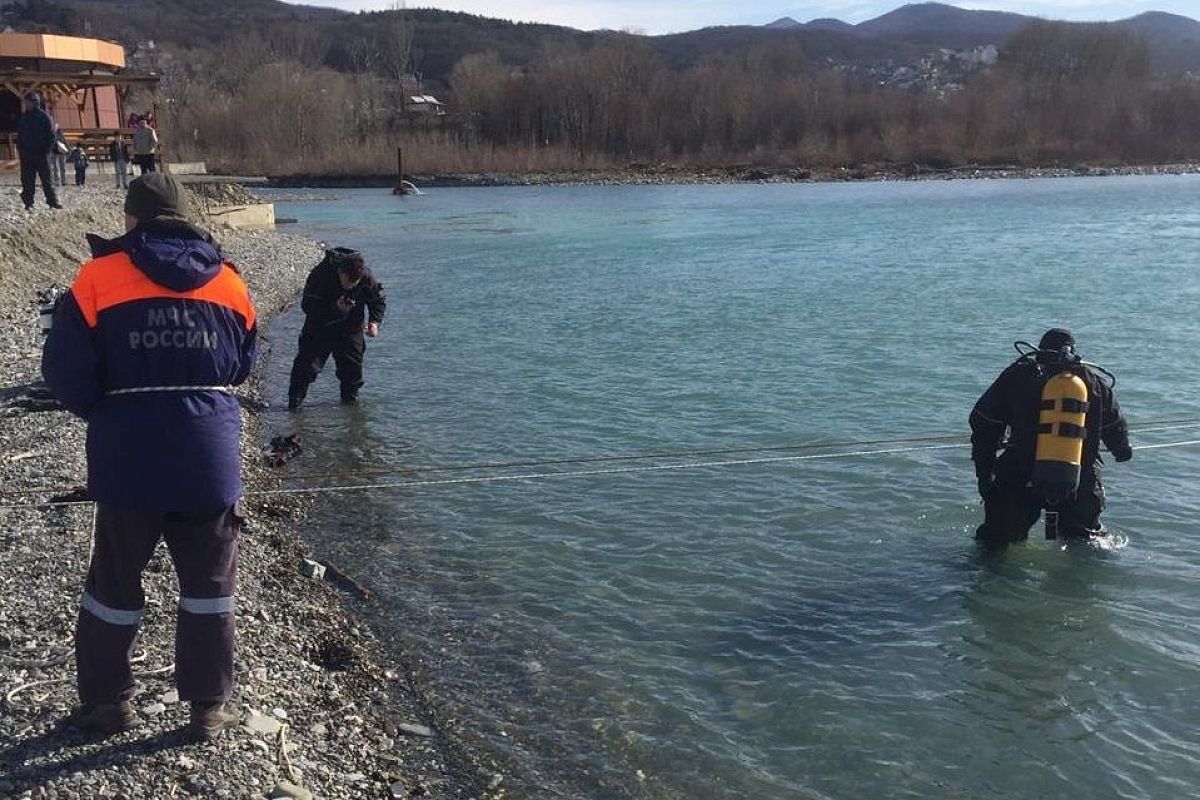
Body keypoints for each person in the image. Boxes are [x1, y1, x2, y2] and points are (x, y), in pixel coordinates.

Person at [41, 173, 257, 740]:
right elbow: (241, 365)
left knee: (114, 582)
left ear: (131, 220)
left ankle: (108, 703)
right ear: (187, 218)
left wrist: (110, 414)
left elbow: (65, 374)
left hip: (127, 456)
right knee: (209, 585)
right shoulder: (229, 281)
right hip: (208, 456)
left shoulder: (97, 277)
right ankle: (209, 706)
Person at [970, 328, 1132, 545]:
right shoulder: (1093, 383)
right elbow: (1116, 426)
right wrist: (1122, 450)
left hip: (1019, 474)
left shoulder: (1019, 375)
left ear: (1038, 352)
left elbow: (984, 421)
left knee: (996, 543)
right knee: (1085, 543)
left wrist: (984, 472)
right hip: (1078, 479)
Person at [286, 247, 386, 409]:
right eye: (346, 282)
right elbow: (307, 305)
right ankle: (293, 410)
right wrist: (334, 307)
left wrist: (375, 322)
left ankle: (351, 417)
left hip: (350, 329)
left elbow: (378, 300)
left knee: (352, 376)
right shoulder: (321, 274)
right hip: (320, 327)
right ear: (340, 272)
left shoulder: (366, 277)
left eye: (354, 284)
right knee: (304, 370)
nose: (349, 288)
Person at [16, 91, 62, 210]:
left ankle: (52, 202)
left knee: (47, 179)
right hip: (27, 154)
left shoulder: (44, 117)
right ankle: (28, 203)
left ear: (34, 102)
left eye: (27, 102)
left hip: (41, 154)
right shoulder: (24, 118)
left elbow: (52, 135)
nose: (26, 104)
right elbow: (20, 135)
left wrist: (46, 150)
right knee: (27, 180)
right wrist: (21, 150)